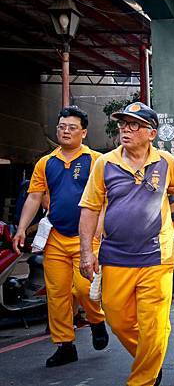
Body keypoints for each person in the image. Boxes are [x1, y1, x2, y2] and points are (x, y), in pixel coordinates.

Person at [78, 102, 174, 386]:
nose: (126, 129)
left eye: (134, 124)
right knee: (118, 319)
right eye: (123, 124)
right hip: (115, 255)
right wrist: (87, 251)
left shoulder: (165, 162)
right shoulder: (105, 163)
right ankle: (150, 361)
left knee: (153, 324)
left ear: (151, 133)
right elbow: (90, 208)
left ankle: (143, 379)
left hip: (156, 256)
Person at [12, 106, 109, 368]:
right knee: (57, 295)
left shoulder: (96, 161)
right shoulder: (46, 163)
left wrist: (99, 228)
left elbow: (105, 199)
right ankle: (65, 345)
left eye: (72, 127)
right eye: (62, 127)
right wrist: (22, 227)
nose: (65, 131)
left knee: (85, 288)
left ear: (84, 133)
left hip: (87, 239)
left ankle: (97, 320)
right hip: (55, 236)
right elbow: (34, 196)